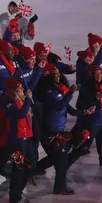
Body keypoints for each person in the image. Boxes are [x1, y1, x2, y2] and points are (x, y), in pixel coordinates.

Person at [35, 65, 77, 194]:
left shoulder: (57, 89)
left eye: (59, 73)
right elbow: (58, 106)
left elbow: (64, 106)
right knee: (61, 160)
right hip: (52, 132)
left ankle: (34, 169)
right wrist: (70, 94)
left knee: (58, 158)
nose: (58, 76)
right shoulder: (48, 92)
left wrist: (77, 112)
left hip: (58, 129)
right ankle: (59, 188)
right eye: (55, 74)